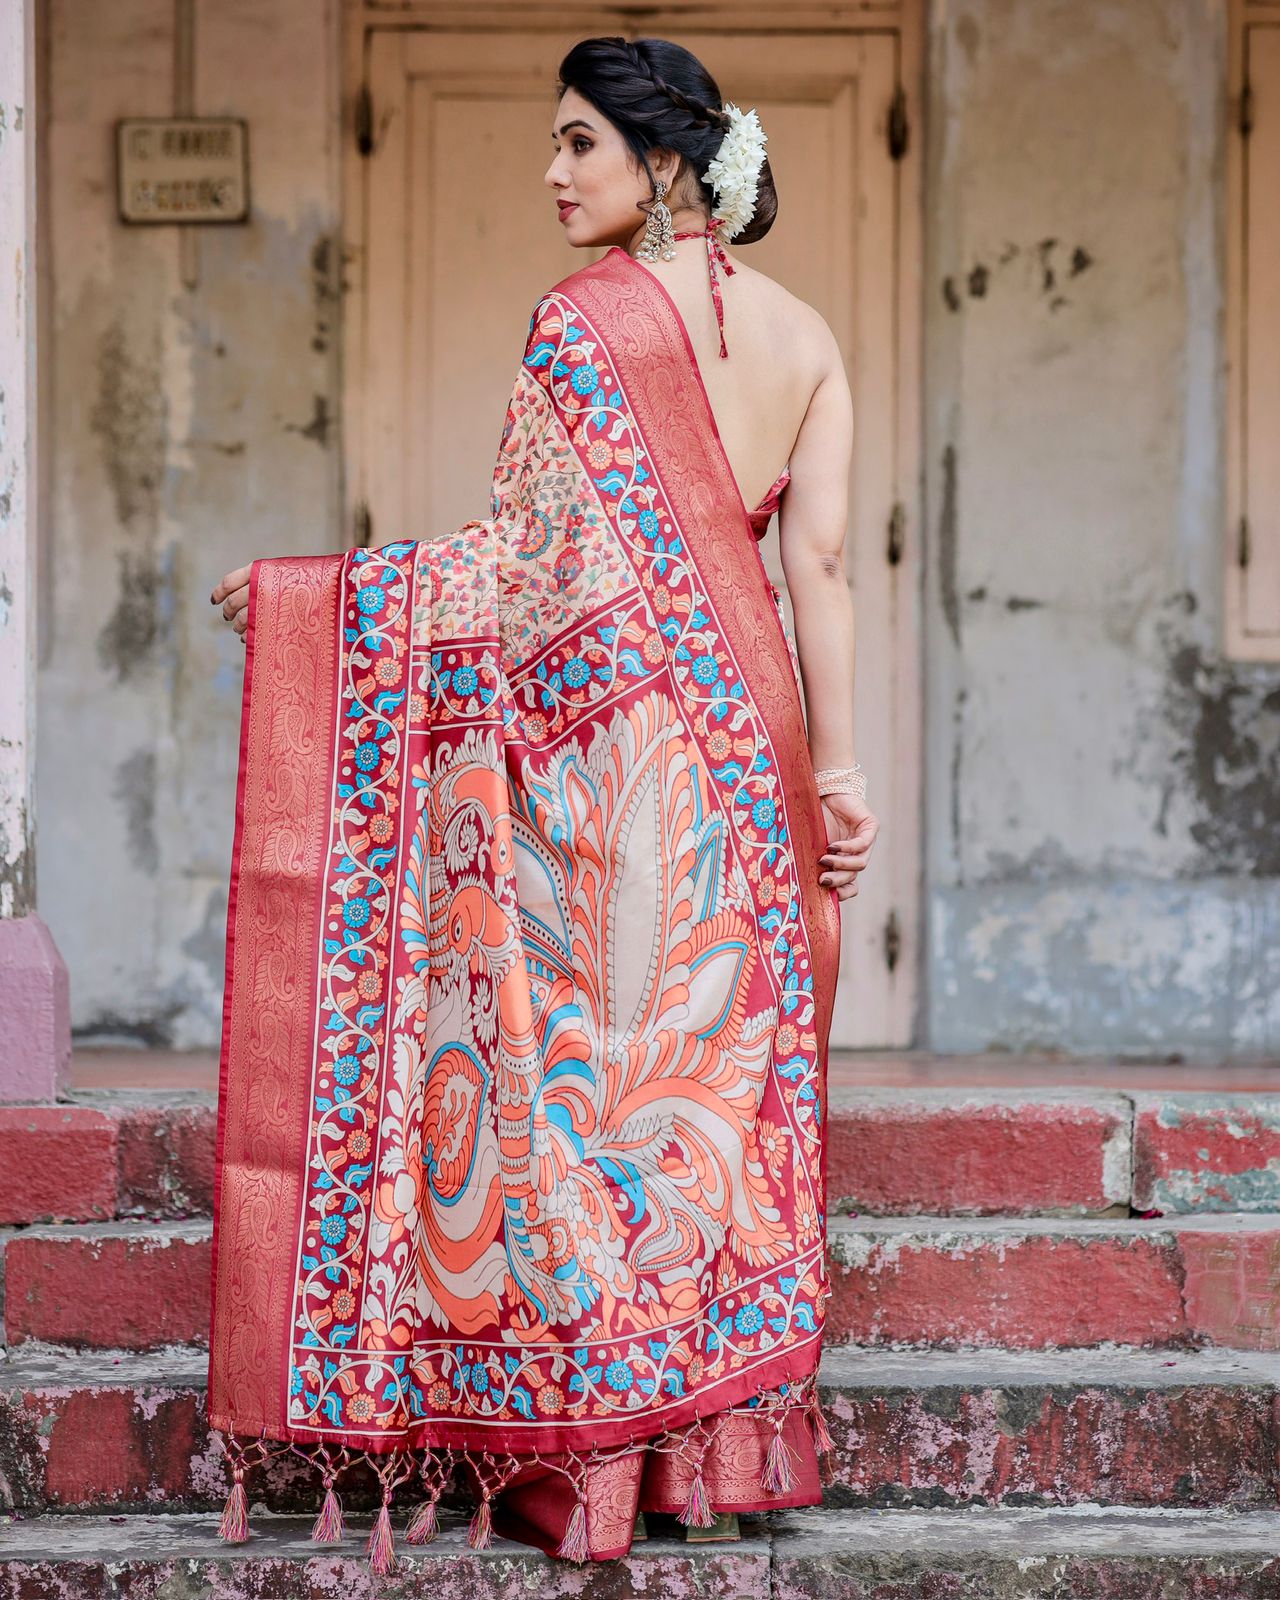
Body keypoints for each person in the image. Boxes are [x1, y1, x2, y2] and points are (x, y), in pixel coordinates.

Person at [207, 33, 877, 1570]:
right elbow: (817, 569)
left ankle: (600, 1470)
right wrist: (836, 773)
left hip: (608, 755)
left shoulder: (586, 322)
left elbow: (522, 564)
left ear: (661, 165)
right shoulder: (810, 336)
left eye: (579, 143)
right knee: (712, 1101)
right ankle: (711, 1461)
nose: (553, 172)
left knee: (600, 1112)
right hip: (748, 741)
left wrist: (317, 603)